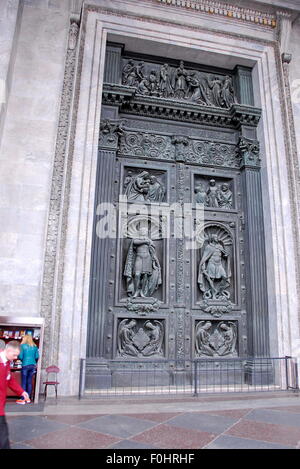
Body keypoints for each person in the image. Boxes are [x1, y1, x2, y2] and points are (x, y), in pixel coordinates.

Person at [0, 341, 29, 449]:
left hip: (1, 402)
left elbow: (10, 379)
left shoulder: (6, 362)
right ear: (8, 350)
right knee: (2, 432)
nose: (16, 357)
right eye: (14, 355)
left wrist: (21, 392)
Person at [16, 334, 39, 404]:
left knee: (23, 382)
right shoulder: (35, 347)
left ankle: (23, 398)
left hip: (25, 365)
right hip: (32, 365)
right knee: (29, 382)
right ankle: (28, 398)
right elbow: (37, 356)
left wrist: (23, 360)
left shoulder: (22, 346)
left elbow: (20, 356)